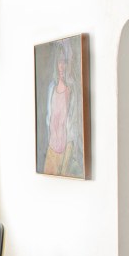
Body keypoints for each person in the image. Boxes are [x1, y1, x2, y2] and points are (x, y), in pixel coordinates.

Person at [43, 44, 83, 176]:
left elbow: (73, 124)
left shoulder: (71, 90)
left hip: (66, 149)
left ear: (68, 64)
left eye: (64, 61)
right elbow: (48, 120)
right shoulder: (51, 89)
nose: (62, 66)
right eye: (59, 61)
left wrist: (69, 151)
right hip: (51, 150)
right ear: (56, 64)